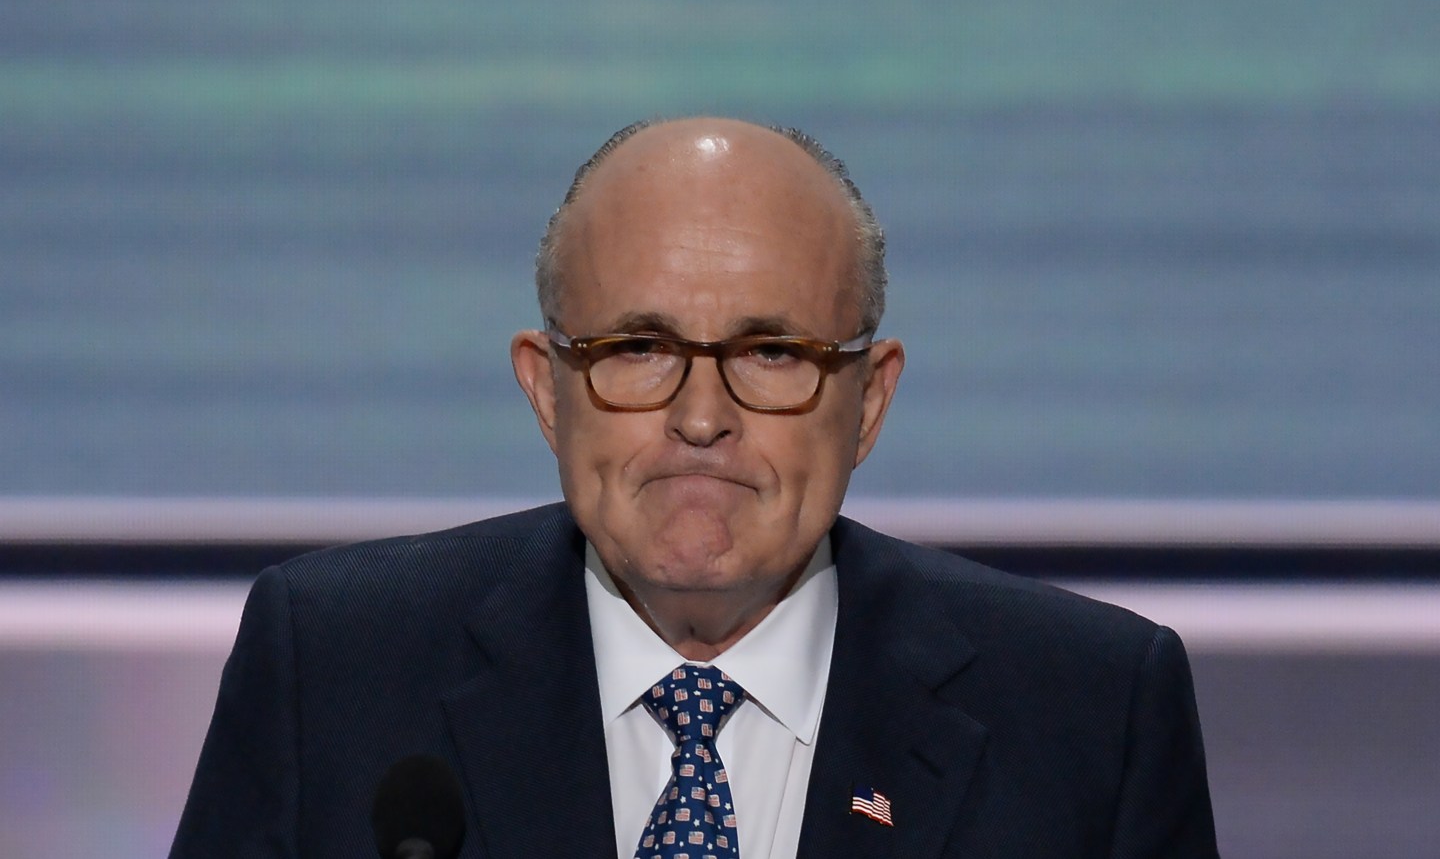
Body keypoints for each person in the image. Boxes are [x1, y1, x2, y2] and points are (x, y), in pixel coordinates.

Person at [170, 117, 1218, 858]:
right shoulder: (333, 668)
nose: (701, 415)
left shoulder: (1091, 714)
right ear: (547, 389)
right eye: (639, 345)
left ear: (869, 399)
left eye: (770, 351)